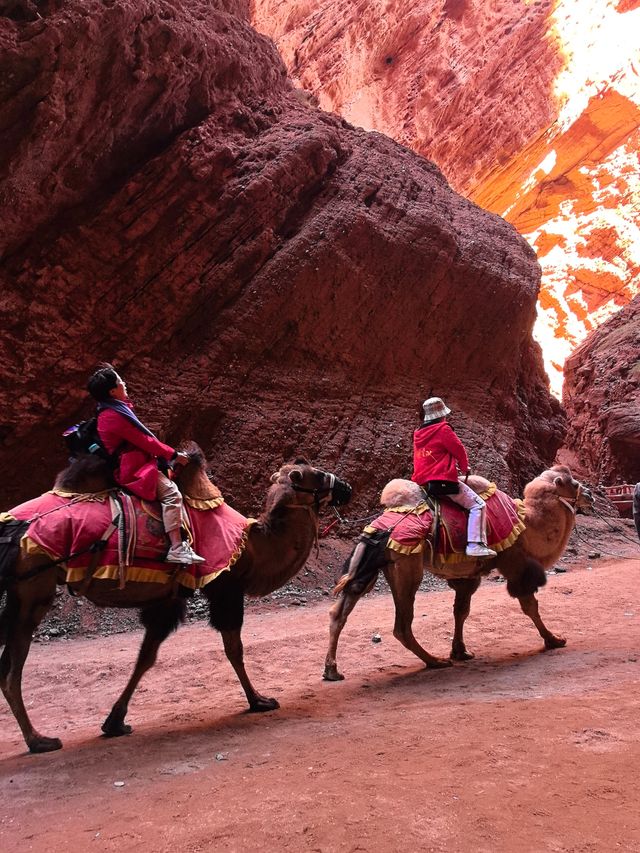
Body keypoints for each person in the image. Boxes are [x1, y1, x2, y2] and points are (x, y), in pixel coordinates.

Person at [87, 364, 205, 564]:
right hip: (133, 469)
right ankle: (177, 548)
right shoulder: (113, 416)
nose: (124, 383)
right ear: (112, 391)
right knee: (171, 494)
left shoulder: (115, 410)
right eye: (120, 381)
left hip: (138, 461)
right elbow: (146, 441)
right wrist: (174, 455)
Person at [412, 397, 497, 559]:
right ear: (441, 415)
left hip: (423, 483)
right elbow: (459, 450)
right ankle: (475, 545)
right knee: (478, 505)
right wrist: (465, 468)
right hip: (441, 481)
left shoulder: (418, 433)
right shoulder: (443, 429)